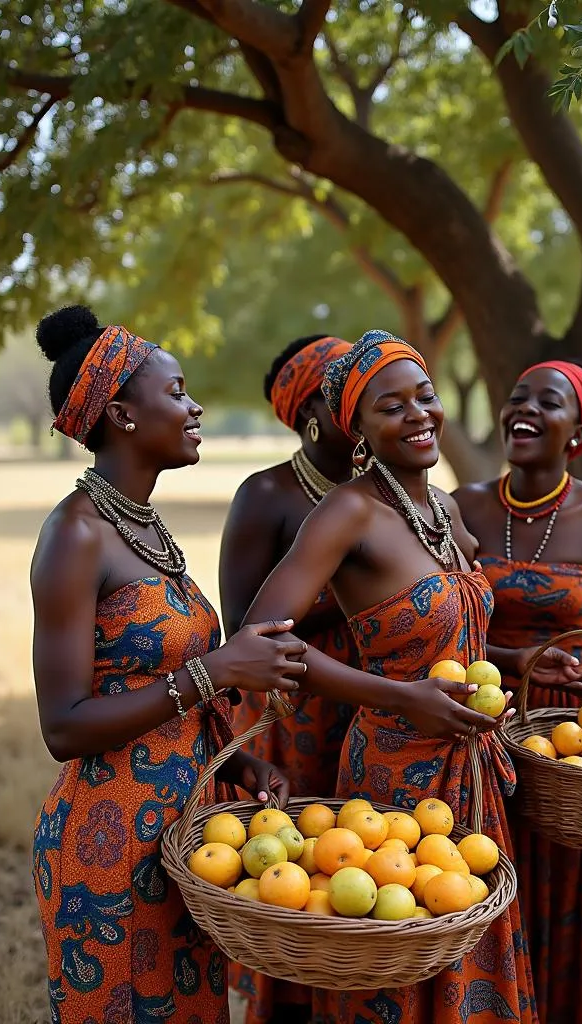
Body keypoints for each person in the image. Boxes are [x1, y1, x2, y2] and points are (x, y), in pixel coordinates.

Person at [240, 330, 582, 1024]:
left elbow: (452, 636)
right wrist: (400, 697)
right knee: (395, 969)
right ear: (359, 429)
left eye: (426, 397)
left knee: (468, 954)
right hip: (389, 784)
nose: (418, 415)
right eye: (390, 406)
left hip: (471, 775)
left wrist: (519, 661)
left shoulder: (447, 511)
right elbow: (261, 641)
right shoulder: (349, 512)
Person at [30, 305, 306, 1024]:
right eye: (177, 391)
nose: (195, 405)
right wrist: (216, 672)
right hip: (110, 847)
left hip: (187, 837)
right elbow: (63, 725)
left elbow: (165, 684)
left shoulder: (142, 524)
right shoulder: (75, 536)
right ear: (121, 414)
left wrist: (238, 766)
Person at [454, 358, 582, 1024]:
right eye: (516, 398)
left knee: (567, 895)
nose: (526, 410)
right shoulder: (463, 506)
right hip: (481, 726)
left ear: (578, 431)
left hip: (574, 742)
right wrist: (510, 665)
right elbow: (439, 630)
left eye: (548, 402)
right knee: (481, 882)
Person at [219, 335, 361, 1024]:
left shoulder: (392, 488)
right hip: (297, 721)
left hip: (382, 718)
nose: (367, 408)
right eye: (350, 396)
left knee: (374, 882)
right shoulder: (267, 496)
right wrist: (348, 588)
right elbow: (247, 632)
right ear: (312, 415)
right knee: (300, 890)